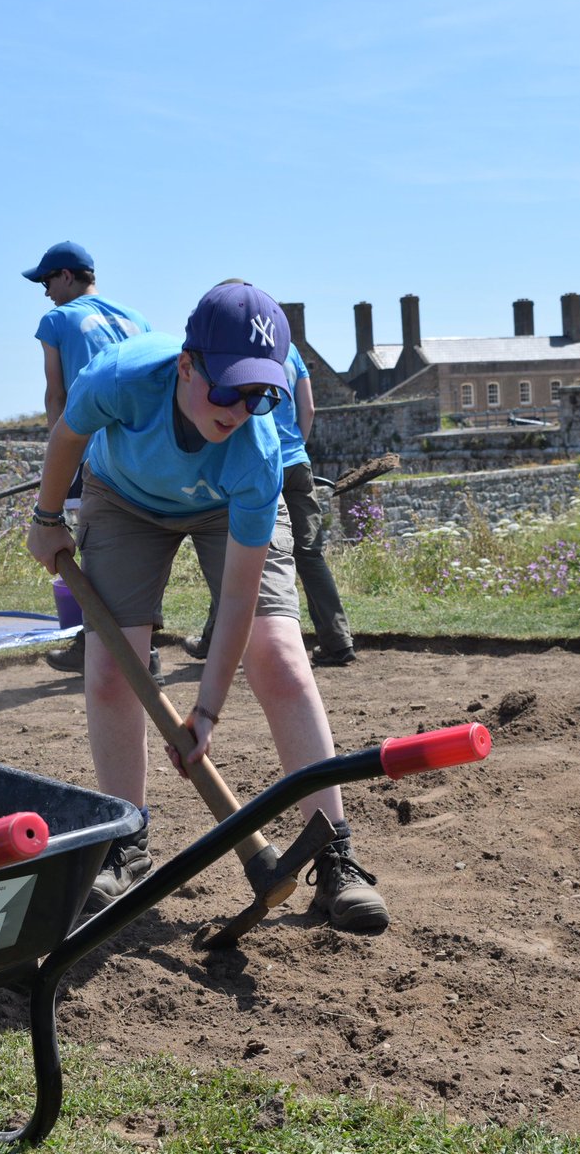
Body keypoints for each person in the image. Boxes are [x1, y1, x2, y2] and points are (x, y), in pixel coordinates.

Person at [25, 280, 389, 933]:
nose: (240, 408)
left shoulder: (256, 450)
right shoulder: (123, 376)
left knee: (278, 655)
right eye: (226, 389)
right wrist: (47, 518)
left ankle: (334, 855)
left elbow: (240, 598)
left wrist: (207, 711)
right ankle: (124, 839)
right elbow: (67, 439)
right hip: (125, 500)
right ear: (187, 366)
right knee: (113, 669)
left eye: (260, 393)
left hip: (225, 509)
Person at [22, 240, 163, 684]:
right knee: (142, 545)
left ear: (66, 275)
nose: (45, 292)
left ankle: (111, 647)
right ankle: (132, 644)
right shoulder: (136, 317)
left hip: (92, 450)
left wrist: (59, 455)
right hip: (145, 449)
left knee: (98, 547)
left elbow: (56, 394)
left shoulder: (58, 319)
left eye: (47, 281)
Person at [183, 341, 355, 666]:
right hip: (296, 461)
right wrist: (295, 450)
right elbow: (309, 408)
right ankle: (337, 640)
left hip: (256, 461)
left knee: (235, 549)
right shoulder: (291, 351)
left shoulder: (232, 351)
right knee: (309, 555)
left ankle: (213, 640)